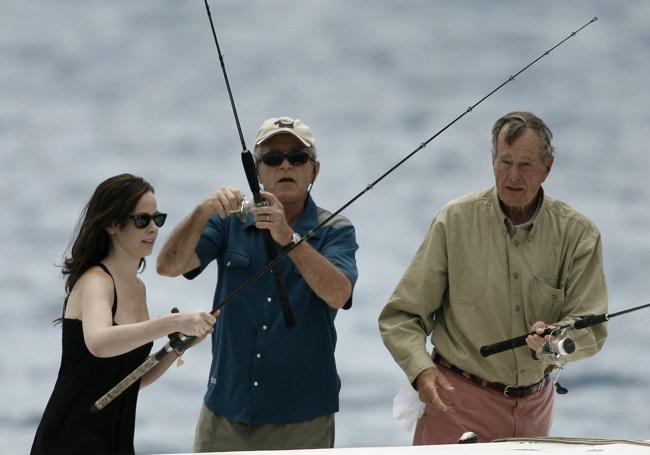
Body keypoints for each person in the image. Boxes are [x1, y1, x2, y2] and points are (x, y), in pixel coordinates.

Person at [378, 111, 608, 444]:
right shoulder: (453, 221)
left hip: (536, 410)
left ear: (548, 167)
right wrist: (421, 370)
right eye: (505, 162)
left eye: (526, 165)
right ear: (493, 161)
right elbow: (402, 317)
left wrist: (555, 343)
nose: (513, 176)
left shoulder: (579, 234)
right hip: (456, 404)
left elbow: (592, 327)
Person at [157, 116, 359, 452]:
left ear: (314, 171)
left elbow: (339, 294)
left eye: (297, 158)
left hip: (303, 417)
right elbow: (168, 266)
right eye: (272, 158)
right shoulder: (229, 222)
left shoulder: (335, 229)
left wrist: (288, 238)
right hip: (225, 411)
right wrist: (204, 209)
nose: (285, 166)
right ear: (256, 170)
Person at [31, 173, 217, 455]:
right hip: (70, 440)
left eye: (158, 219)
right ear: (112, 225)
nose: (153, 228)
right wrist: (175, 321)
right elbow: (100, 342)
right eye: (142, 220)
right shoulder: (96, 281)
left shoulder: (138, 289)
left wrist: (178, 346)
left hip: (114, 441)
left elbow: (131, 379)